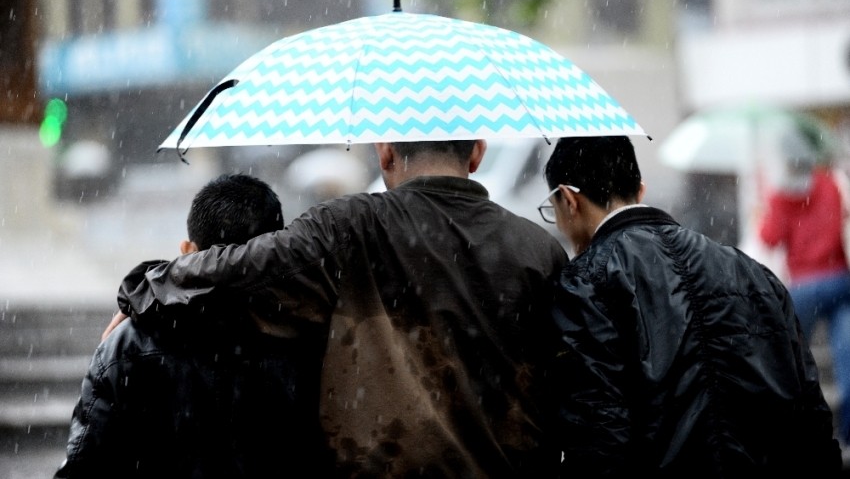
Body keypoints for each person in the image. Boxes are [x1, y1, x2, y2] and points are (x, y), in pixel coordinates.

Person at [103, 140, 569, 477]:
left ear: (385, 154)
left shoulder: (349, 227)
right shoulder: (539, 251)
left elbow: (236, 272)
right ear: (477, 153)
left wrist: (146, 288)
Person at [540, 135, 841, 478]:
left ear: (567, 199)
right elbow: (810, 417)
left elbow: (598, 435)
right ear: (640, 191)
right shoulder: (750, 272)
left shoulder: (586, 283)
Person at [55, 173, 332, 478]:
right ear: (275, 251)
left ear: (187, 250)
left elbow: (85, 466)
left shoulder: (130, 342)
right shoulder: (310, 335)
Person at [758, 154, 850, 447]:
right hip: (839, 281)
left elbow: (769, 238)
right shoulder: (830, 182)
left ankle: (798, 430)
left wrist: (763, 212)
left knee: (791, 357)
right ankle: (848, 431)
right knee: (846, 356)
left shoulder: (781, 193)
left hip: (804, 285)